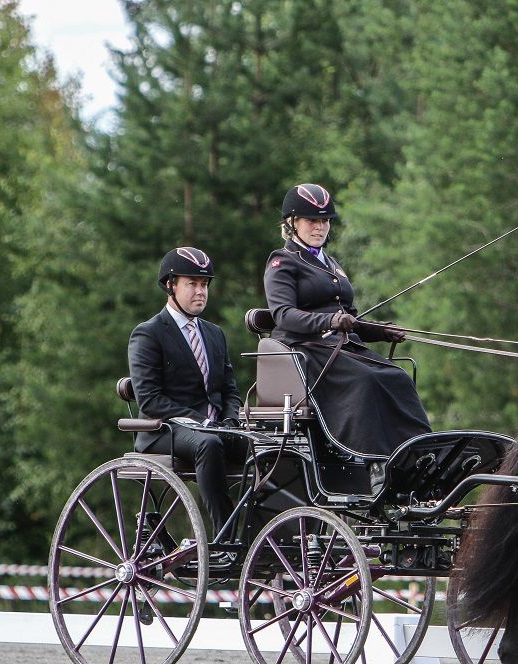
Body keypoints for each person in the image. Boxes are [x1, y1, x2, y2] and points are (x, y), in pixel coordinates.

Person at [263, 183, 430, 456]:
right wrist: (329, 321)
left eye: (325, 221)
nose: (320, 227)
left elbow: (349, 318)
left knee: (398, 378)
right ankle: (372, 460)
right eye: (312, 220)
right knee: (365, 381)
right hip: (307, 351)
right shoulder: (282, 262)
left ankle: (419, 454)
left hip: (345, 349)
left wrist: (381, 331)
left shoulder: (331, 263)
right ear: (292, 223)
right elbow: (283, 315)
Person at [128, 247, 246, 537]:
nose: (200, 291)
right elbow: (150, 399)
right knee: (209, 444)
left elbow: (230, 391)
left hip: (215, 429)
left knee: (273, 449)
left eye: (204, 284)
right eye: (192, 283)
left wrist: (230, 419)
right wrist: (201, 421)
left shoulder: (214, 334)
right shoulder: (148, 333)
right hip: (163, 430)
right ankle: (225, 536)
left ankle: (271, 534)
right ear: (171, 285)